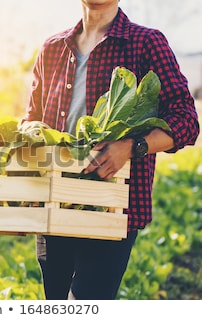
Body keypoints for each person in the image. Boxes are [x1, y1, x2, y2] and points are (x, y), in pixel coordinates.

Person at [23, 0, 200, 300]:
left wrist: (132, 147)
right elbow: (32, 121)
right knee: (55, 303)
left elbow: (186, 119)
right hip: (54, 202)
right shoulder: (52, 48)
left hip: (110, 205)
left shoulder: (145, 43)